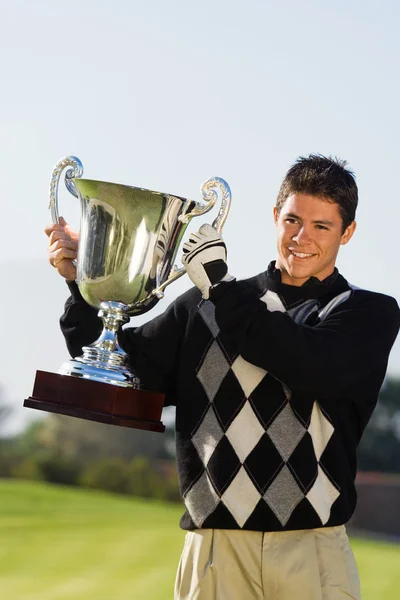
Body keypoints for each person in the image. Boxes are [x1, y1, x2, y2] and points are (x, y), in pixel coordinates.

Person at [46, 155, 400, 600]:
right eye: (292, 219)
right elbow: (121, 371)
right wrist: (83, 286)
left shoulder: (367, 313)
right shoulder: (203, 305)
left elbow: (309, 363)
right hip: (214, 551)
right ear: (275, 217)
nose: (301, 237)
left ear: (346, 232)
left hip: (312, 550)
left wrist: (221, 287)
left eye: (321, 226)